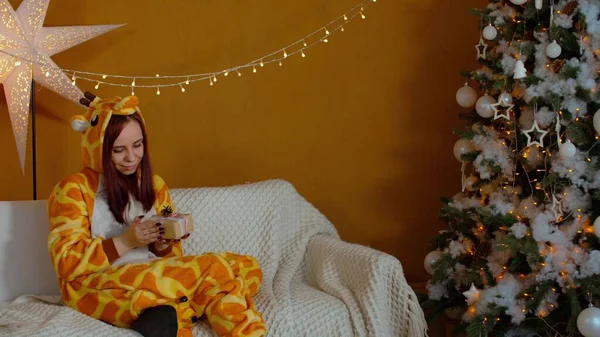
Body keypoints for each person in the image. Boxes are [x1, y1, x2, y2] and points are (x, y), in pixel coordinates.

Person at [47, 92, 267, 337]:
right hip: (95, 283)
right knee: (216, 270)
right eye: (118, 150)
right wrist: (126, 241)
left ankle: (165, 313)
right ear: (98, 147)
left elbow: (171, 259)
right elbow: (66, 263)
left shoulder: (154, 185)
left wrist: (163, 243)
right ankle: (197, 313)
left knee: (248, 267)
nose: (131, 157)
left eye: (137, 145)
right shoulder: (73, 188)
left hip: (148, 272)